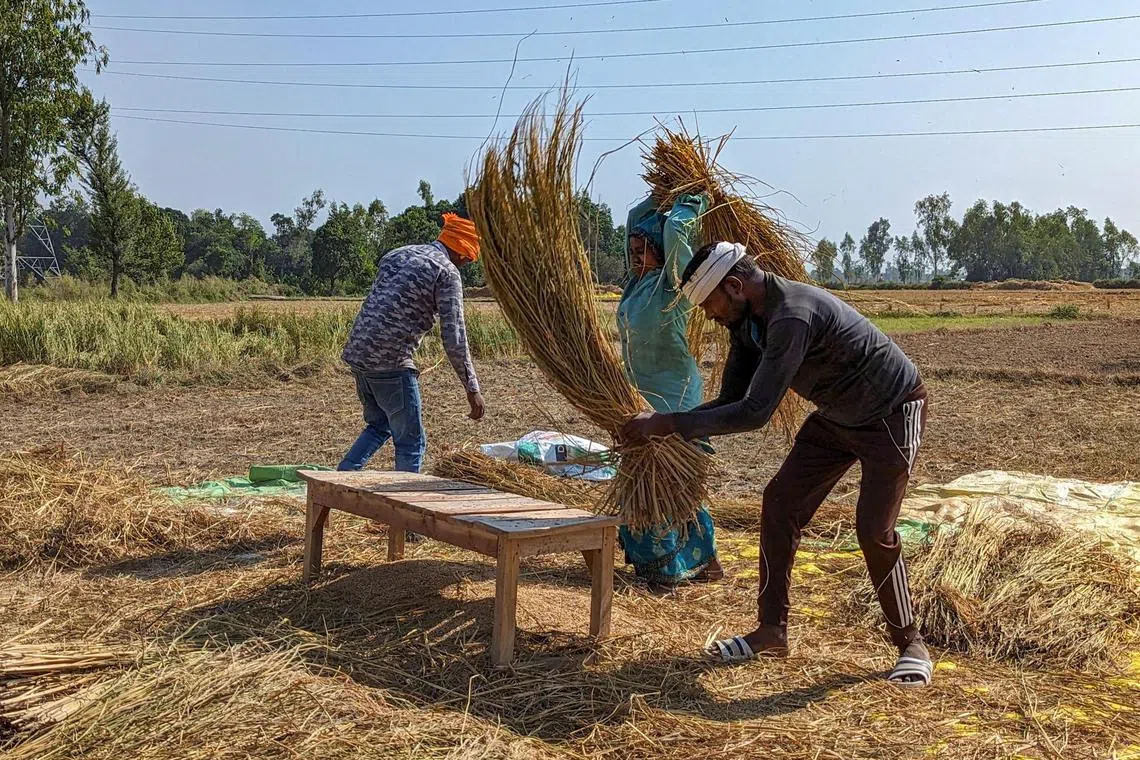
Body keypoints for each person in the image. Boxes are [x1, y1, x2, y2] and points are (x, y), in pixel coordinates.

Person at [620, 241, 933, 687]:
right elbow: (733, 398)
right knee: (781, 503)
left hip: (891, 411)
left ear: (734, 286)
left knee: (873, 529)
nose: (710, 315)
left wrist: (668, 423)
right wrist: (668, 433)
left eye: (710, 304)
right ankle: (771, 631)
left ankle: (911, 643)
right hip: (837, 415)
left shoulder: (791, 315)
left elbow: (755, 412)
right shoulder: (747, 322)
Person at [616, 194, 722, 589]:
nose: (636, 257)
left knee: (674, 484)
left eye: (643, 251)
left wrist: (688, 198)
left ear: (661, 253)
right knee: (651, 483)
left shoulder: (673, 284)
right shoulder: (635, 284)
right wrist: (656, 196)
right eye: (632, 250)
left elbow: (677, 231)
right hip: (639, 399)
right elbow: (633, 217)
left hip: (675, 399)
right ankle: (698, 564)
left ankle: (672, 570)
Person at [338, 213, 486, 475]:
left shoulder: (397, 254)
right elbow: (454, 336)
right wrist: (472, 388)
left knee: (379, 425)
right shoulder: (446, 272)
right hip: (391, 362)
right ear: (463, 253)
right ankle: (404, 508)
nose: (465, 264)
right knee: (411, 442)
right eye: (468, 259)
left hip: (358, 353)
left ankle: (339, 481)